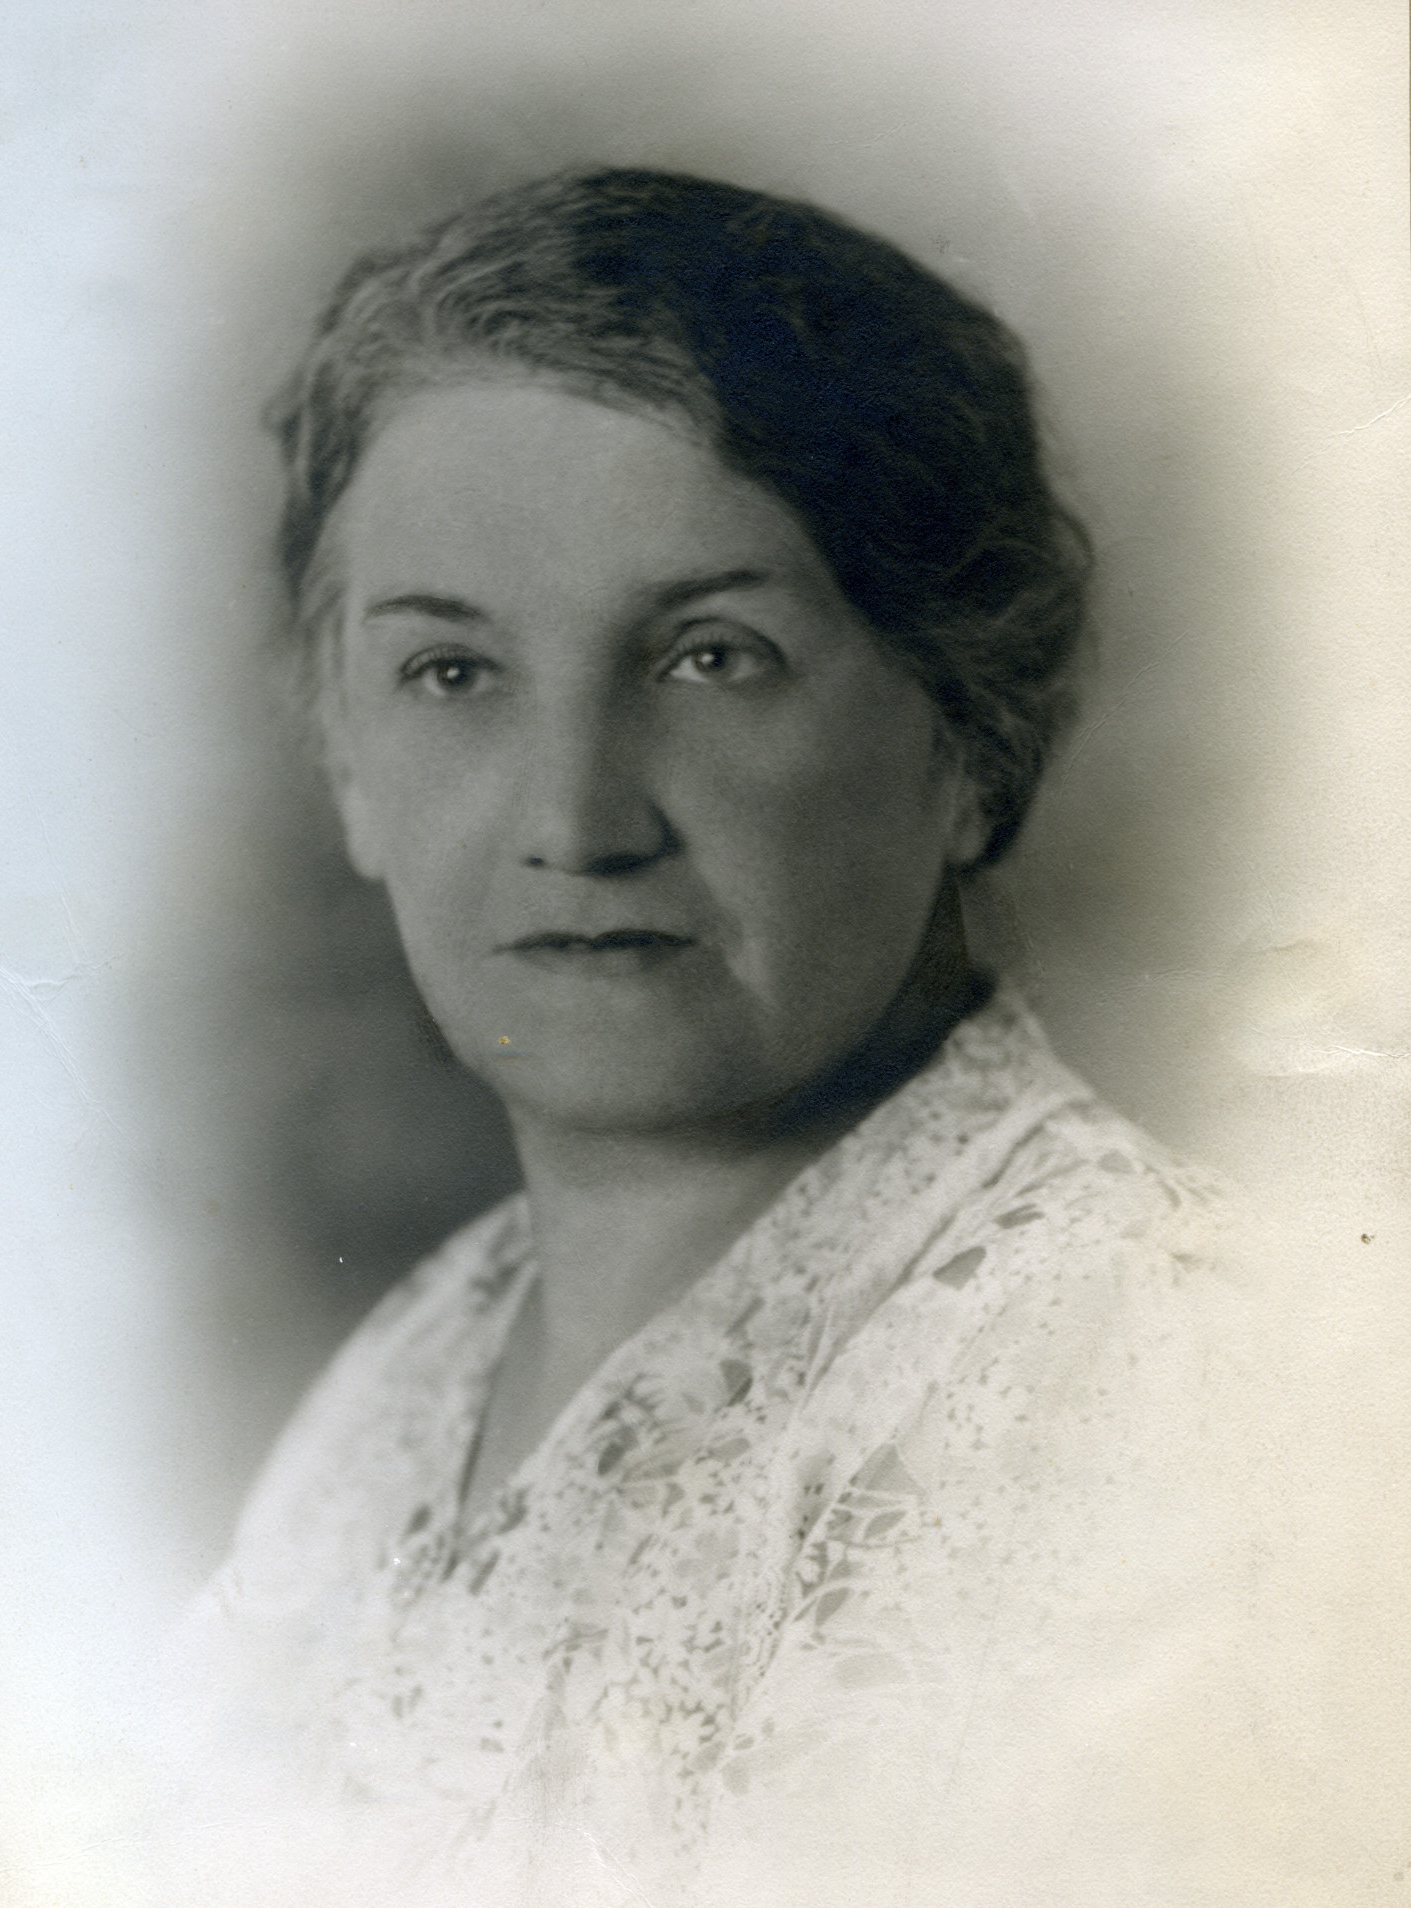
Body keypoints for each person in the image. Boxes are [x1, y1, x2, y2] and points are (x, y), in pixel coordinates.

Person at [170, 168, 1303, 1905]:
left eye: (710, 657)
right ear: (345, 766)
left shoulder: (1183, 1400)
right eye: (452, 674)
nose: (574, 820)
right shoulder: (401, 1384)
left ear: (972, 739)